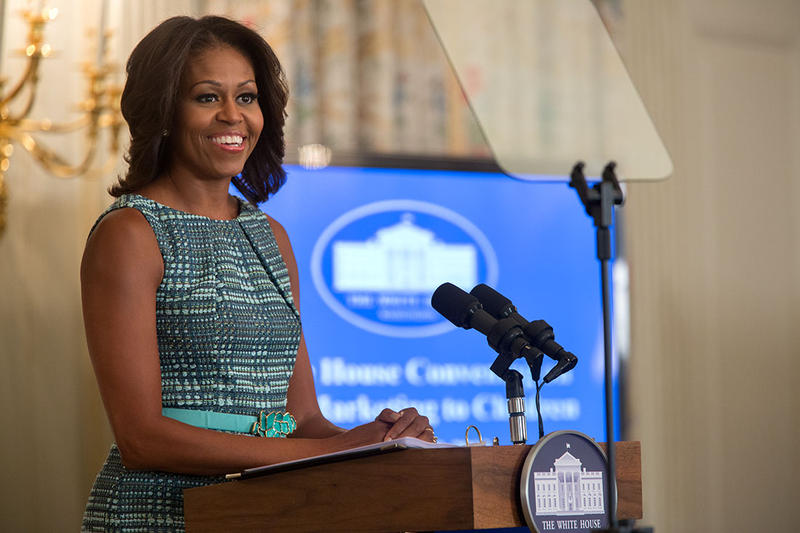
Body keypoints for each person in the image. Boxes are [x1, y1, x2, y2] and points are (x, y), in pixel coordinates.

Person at [80, 15, 434, 531]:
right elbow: (141, 438)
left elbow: (302, 420)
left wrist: (381, 442)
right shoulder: (130, 234)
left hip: (267, 509)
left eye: (246, 98)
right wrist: (327, 451)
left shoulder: (272, 236)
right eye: (207, 98)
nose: (232, 116)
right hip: (160, 513)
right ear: (163, 112)